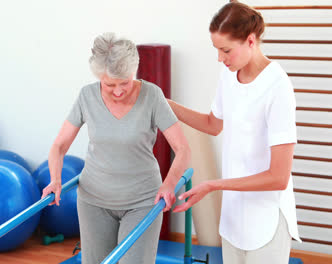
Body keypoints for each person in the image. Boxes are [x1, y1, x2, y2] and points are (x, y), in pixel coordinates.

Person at [41, 32, 190, 264]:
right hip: (93, 201)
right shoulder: (86, 96)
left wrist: (169, 184)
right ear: (98, 76)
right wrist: (55, 179)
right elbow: (59, 145)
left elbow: (182, 149)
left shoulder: (152, 96)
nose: (118, 91)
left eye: (125, 83)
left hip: (142, 201)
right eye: (110, 84)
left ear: (134, 72)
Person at [169, 1, 301, 263]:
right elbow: (212, 124)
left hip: (266, 221)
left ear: (250, 41)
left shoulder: (277, 86)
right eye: (217, 50)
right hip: (233, 220)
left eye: (226, 50)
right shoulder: (229, 75)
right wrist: (167, 104)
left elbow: (278, 177)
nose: (220, 58)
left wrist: (213, 185)